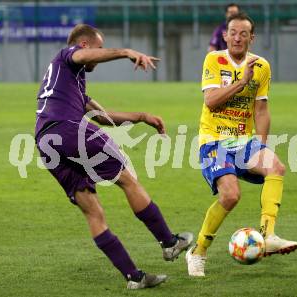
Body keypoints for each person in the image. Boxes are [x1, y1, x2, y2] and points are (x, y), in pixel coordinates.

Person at [35, 24, 193, 289]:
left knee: (93, 211)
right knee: (127, 179)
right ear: (84, 45)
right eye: (99, 47)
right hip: (68, 129)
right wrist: (126, 52)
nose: (101, 53)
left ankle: (134, 278)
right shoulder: (68, 55)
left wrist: (141, 117)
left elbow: (102, 117)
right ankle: (169, 242)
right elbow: (85, 57)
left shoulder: (68, 82)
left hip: (46, 142)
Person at [186, 13, 297, 277]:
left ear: (252, 38)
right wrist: (240, 83)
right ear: (225, 36)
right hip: (214, 140)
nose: (237, 37)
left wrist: (261, 145)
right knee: (231, 196)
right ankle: (198, 252)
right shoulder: (214, 60)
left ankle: (267, 234)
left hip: (244, 140)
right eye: (233, 32)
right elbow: (211, 101)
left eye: (243, 33)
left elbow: (261, 109)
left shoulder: (262, 66)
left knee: (276, 167)